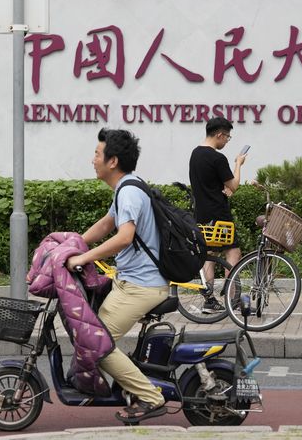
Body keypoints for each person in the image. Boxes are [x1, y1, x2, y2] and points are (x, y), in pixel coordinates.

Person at [65, 128, 168, 423]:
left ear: (113, 161)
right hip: (132, 283)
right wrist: (70, 246)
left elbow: (124, 237)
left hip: (142, 287)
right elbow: (106, 224)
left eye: (97, 154)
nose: (93, 160)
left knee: (96, 344)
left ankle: (150, 397)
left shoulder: (131, 192)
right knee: (95, 336)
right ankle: (129, 386)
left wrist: (83, 257)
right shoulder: (127, 188)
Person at [188, 116, 247, 312]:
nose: (227, 141)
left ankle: (209, 301)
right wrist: (238, 163)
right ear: (220, 134)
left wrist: (223, 188)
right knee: (233, 252)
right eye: (227, 137)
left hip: (202, 213)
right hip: (219, 214)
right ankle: (233, 299)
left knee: (209, 254)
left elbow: (208, 184)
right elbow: (234, 185)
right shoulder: (217, 158)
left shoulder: (195, 154)